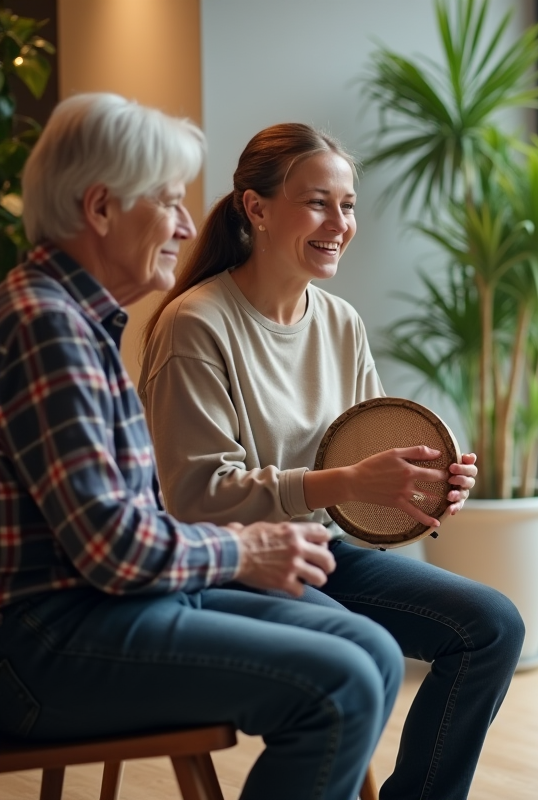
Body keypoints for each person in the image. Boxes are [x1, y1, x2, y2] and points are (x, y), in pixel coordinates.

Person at [0, 93, 400, 800]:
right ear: (100, 209)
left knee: (371, 649)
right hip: (46, 640)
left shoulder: (78, 321)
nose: (188, 225)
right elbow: (111, 545)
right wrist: (248, 551)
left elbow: (132, 520)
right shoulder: (44, 325)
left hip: (108, 604)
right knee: (339, 685)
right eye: (167, 201)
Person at [138, 123, 524, 800]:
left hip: (318, 551)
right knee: (353, 651)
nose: (339, 224)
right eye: (318, 202)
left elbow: (363, 469)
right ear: (256, 208)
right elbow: (194, 497)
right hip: (226, 567)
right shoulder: (196, 323)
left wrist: (422, 489)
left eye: (347, 205)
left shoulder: (339, 320)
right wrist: (343, 481)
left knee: (491, 625)